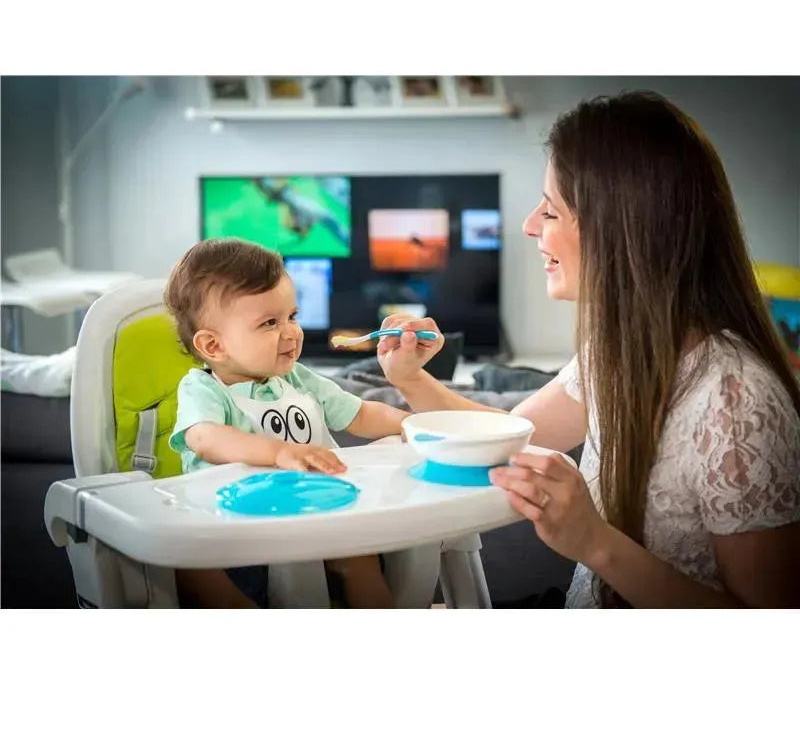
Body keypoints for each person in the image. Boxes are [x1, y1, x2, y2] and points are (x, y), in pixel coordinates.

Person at [376, 90, 800, 608]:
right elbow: (509, 437)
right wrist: (410, 378)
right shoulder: (615, 353)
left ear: (620, 227)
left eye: (551, 211)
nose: (530, 225)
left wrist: (594, 542)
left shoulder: (736, 399)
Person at [165, 238, 408, 608]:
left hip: (321, 512)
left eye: (292, 316)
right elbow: (205, 438)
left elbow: (360, 414)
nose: (291, 332)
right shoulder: (204, 389)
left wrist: (410, 424)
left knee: (361, 553)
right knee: (186, 565)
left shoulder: (297, 378)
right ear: (214, 346)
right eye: (269, 323)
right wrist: (278, 451)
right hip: (236, 530)